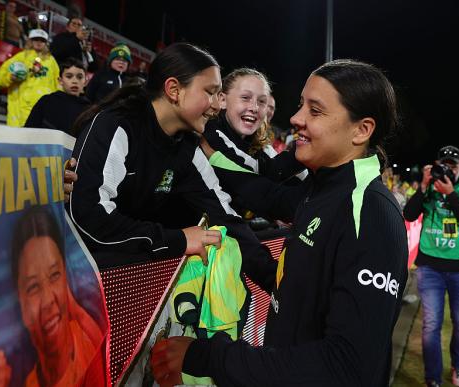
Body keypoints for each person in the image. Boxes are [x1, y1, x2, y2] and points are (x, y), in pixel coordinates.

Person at [150, 59, 409, 387]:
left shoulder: (371, 213)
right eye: (302, 105)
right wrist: (202, 158)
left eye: (314, 111)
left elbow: (347, 365)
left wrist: (210, 356)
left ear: (361, 130)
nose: (295, 118)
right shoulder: (321, 188)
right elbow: (260, 194)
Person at [69, 42, 276, 290]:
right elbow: (90, 221)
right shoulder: (116, 126)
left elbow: (226, 217)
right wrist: (177, 240)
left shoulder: (187, 147)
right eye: (210, 92)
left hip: (132, 284)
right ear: (174, 90)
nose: (217, 105)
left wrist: (276, 280)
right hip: (83, 286)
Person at [0, 206, 104, 387]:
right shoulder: (14, 378)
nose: (48, 300)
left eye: (55, 275)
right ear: (19, 300)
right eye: (33, 287)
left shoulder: (89, 342)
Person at [403, 146, 459, 387]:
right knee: (431, 324)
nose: (449, 168)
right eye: (444, 164)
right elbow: (409, 214)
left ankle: (458, 368)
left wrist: (450, 195)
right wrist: (423, 187)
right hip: (430, 266)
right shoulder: (428, 189)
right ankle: (432, 377)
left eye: (454, 164)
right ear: (436, 164)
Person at [203, 68, 305, 183]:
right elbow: (265, 175)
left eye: (262, 101)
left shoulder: (254, 142)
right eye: (245, 98)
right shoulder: (211, 135)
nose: (255, 108)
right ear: (222, 100)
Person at [0, 29, 59, 127]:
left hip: (43, 109)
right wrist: (10, 78)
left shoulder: (51, 61)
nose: (39, 42)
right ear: (30, 41)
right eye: (36, 39)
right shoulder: (21, 57)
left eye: (42, 40)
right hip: (21, 108)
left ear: (46, 43)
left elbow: (57, 83)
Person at [24, 57, 90, 134]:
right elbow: (29, 129)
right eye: (69, 76)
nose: (74, 81)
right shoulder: (46, 101)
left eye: (79, 77)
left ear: (85, 82)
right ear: (60, 80)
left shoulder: (88, 109)